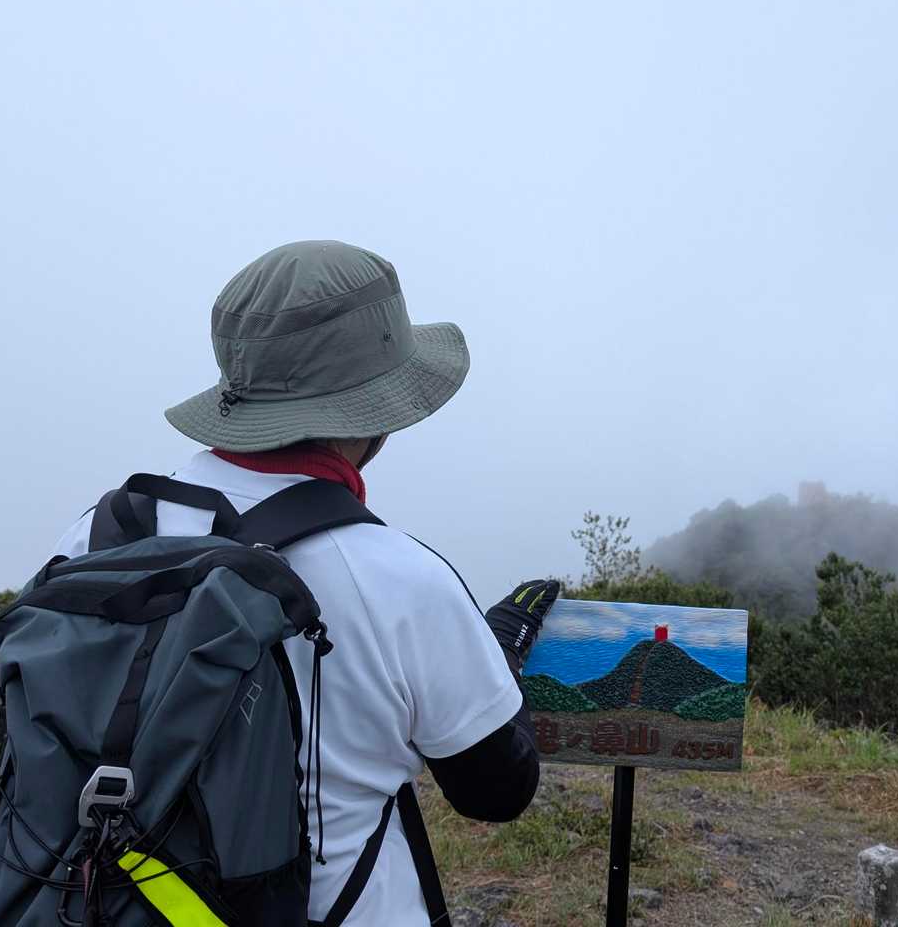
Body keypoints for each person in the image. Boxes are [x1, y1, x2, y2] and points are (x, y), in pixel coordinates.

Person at [51, 240, 559, 926]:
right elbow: (497, 791)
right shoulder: (398, 578)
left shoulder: (99, 534)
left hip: (101, 905)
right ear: (374, 412)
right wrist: (496, 648)